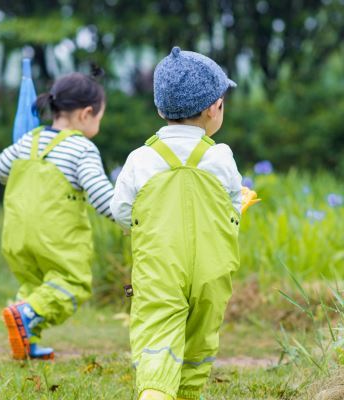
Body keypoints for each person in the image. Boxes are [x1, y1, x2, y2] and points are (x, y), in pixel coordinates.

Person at [110, 47, 258, 400]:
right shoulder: (221, 158)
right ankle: (189, 392)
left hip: (159, 268)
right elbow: (232, 205)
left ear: (161, 109)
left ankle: (156, 393)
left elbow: (120, 210)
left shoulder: (141, 159)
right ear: (213, 108)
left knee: (158, 334)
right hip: (212, 270)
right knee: (201, 338)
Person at [0, 72, 114, 360]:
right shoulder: (81, 148)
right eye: (99, 117)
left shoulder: (29, 141)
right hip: (56, 237)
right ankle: (26, 314)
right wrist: (126, 218)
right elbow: (99, 193)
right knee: (72, 284)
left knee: (35, 286)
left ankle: (26, 339)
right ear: (86, 114)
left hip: (17, 234)